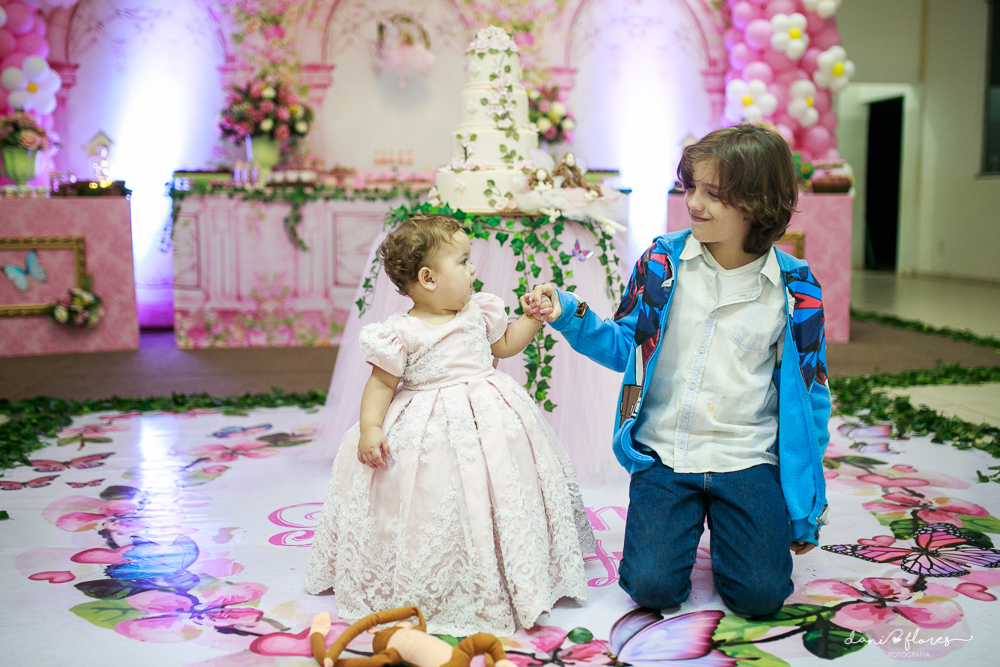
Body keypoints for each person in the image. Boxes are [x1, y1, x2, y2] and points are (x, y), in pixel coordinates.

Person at [525, 124, 830, 617]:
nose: (694, 203)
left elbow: (812, 396)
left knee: (761, 596)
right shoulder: (661, 264)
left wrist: (806, 504)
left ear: (759, 202)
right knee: (650, 588)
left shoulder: (797, 289)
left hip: (747, 458)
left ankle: (740, 536)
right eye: (691, 187)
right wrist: (568, 312)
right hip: (665, 453)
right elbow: (626, 346)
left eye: (714, 193)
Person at [304, 215, 595, 636]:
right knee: (436, 494)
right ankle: (444, 567)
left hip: (490, 416)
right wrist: (370, 429)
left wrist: (532, 319)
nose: (473, 268)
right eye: (462, 261)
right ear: (428, 278)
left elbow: (505, 346)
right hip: (429, 426)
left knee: (500, 483)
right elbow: (382, 384)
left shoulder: (479, 312)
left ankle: (507, 556)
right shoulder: (401, 332)